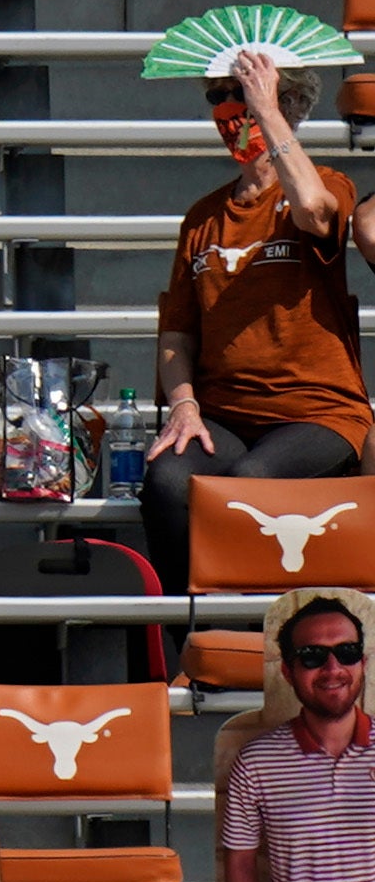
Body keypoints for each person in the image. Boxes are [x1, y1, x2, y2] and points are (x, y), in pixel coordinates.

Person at [146, 40, 360, 593]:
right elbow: (176, 333)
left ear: (285, 100)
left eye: (237, 94)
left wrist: (266, 109)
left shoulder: (328, 184)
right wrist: (185, 407)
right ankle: (188, 639)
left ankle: (256, 635)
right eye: (216, 97)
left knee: (248, 485)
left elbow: (314, 210)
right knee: (168, 480)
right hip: (226, 415)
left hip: (316, 412)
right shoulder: (203, 216)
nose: (225, 110)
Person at [216, 584, 375, 882]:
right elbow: (239, 862)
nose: (333, 668)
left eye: (347, 652)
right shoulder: (256, 761)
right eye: (312, 656)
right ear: (288, 670)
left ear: (363, 663)